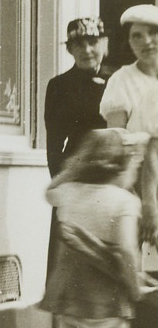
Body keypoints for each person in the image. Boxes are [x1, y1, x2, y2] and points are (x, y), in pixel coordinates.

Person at [38, 130, 158, 328]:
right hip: (107, 293)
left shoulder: (68, 191)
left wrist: (75, 167)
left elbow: (49, 191)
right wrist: (135, 286)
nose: (134, 173)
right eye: (133, 166)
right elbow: (126, 254)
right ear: (121, 167)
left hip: (70, 290)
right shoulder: (124, 203)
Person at [45, 18, 112, 283]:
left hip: (112, 180)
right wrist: (64, 187)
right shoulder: (59, 86)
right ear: (69, 50)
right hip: (75, 179)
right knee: (70, 266)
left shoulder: (117, 79)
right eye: (78, 44)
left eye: (92, 42)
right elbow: (54, 145)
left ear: (104, 43)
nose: (86, 50)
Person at [101, 3, 158, 247]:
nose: (147, 41)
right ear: (129, 42)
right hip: (138, 188)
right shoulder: (121, 80)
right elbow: (117, 146)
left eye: (153, 33)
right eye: (137, 35)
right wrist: (145, 203)